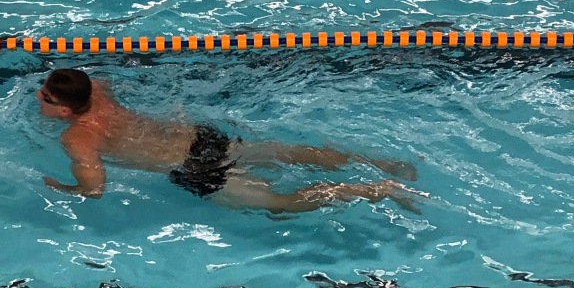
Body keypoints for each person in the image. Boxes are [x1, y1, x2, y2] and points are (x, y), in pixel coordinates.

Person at [35, 68, 421, 213]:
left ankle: (374, 189)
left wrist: (62, 188)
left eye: (46, 96)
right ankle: (383, 163)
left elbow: (95, 188)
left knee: (279, 204)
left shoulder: (77, 138)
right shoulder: (98, 89)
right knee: (289, 153)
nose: (39, 96)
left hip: (195, 169)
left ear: (66, 111)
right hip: (201, 139)